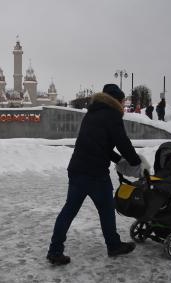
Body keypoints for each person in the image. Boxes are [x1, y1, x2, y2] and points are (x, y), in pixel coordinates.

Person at [46, 84, 150, 265]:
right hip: (95, 174)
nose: (123, 104)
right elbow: (122, 142)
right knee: (107, 209)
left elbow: (101, 144)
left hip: (77, 170)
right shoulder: (112, 115)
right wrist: (136, 163)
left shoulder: (92, 113)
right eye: (122, 100)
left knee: (69, 211)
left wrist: (118, 161)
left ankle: (55, 251)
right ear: (116, 100)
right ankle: (114, 245)